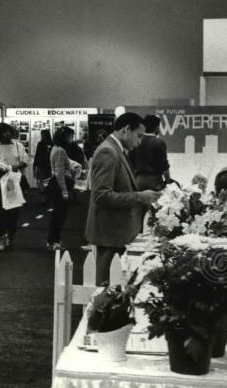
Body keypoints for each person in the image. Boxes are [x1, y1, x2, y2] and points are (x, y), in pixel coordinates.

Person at [85, 112, 160, 286]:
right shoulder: (108, 152)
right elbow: (101, 195)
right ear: (127, 129)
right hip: (110, 233)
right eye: (139, 136)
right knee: (106, 288)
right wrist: (139, 197)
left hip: (115, 232)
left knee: (113, 287)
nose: (139, 142)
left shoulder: (115, 150)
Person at [0, 122, 30, 251]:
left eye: (8, 131)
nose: (7, 134)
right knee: (0, 211)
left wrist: (13, 167)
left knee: (13, 210)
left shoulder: (18, 146)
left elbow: (25, 161)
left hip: (13, 182)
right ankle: (1, 238)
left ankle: (11, 234)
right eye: (3, 132)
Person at [47, 127, 76, 251]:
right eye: (70, 136)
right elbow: (59, 172)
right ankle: (53, 241)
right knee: (59, 214)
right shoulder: (60, 150)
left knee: (59, 214)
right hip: (60, 184)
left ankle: (55, 239)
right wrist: (64, 190)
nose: (72, 139)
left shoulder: (56, 148)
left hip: (59, 183)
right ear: (65, 137)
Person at [129, 114, 171, 192]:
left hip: (138, 181)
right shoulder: (159, 143)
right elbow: (164, 166)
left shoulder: (135, 141)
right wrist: (168, 181)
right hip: (155, 182)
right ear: (156, 128)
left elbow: (130, 163)